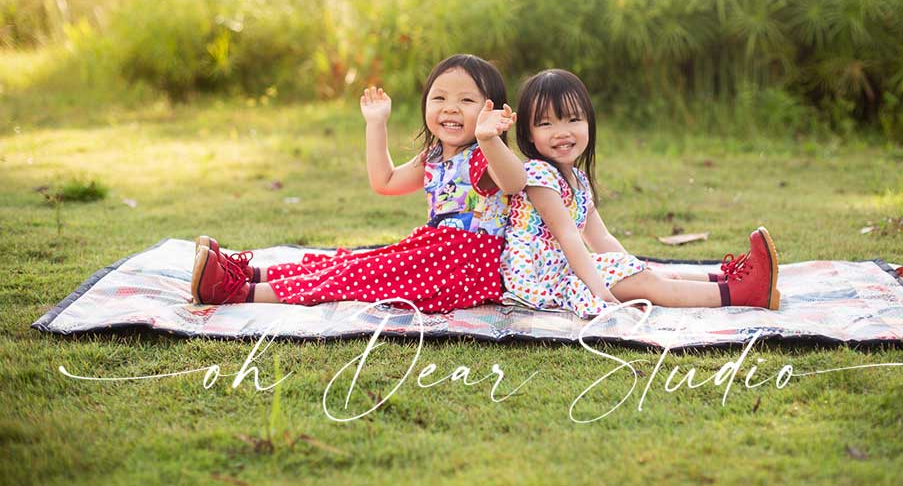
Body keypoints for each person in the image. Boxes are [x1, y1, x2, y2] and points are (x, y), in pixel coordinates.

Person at [190, 54, 527, 313]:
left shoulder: (486, 155)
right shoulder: (435, 155)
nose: (450, 108)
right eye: (439, 98)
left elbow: (515, 182)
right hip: (434, 251)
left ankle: (233, 292)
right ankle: (250, 274)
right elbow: (385, 181)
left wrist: (489, 139)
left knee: (359, 275)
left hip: (466, 266)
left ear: (490, 110)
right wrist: (376, 124)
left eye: (466, 101)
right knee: (349, 262)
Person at [501, 69, 780, 318]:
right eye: (547, 124)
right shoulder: (537, 174)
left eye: (573, 119)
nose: (562, 132)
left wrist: (632, 268)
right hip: (542, 277)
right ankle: (741, 293)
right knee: (650, 285)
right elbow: (568, 236)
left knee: (650, 273)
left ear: (589, 123)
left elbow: (601, 238)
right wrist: (601, 293)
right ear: (528, 133)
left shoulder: (579, 180)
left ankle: (725, 279)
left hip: (565, 267)